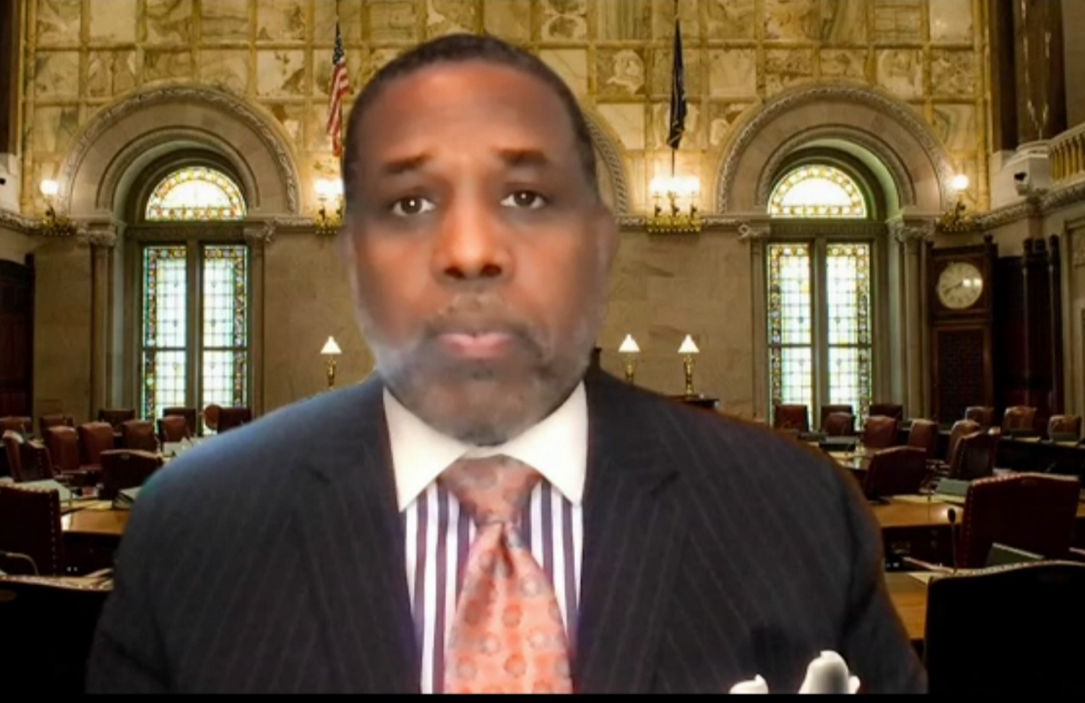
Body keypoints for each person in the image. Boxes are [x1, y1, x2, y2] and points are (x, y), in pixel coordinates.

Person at [86, 34, 926, 694]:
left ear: (600, 244)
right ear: (353, 256)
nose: (471, 251)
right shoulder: (193, 530)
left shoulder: (796, 511)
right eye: (410, 202)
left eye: (526, 197)